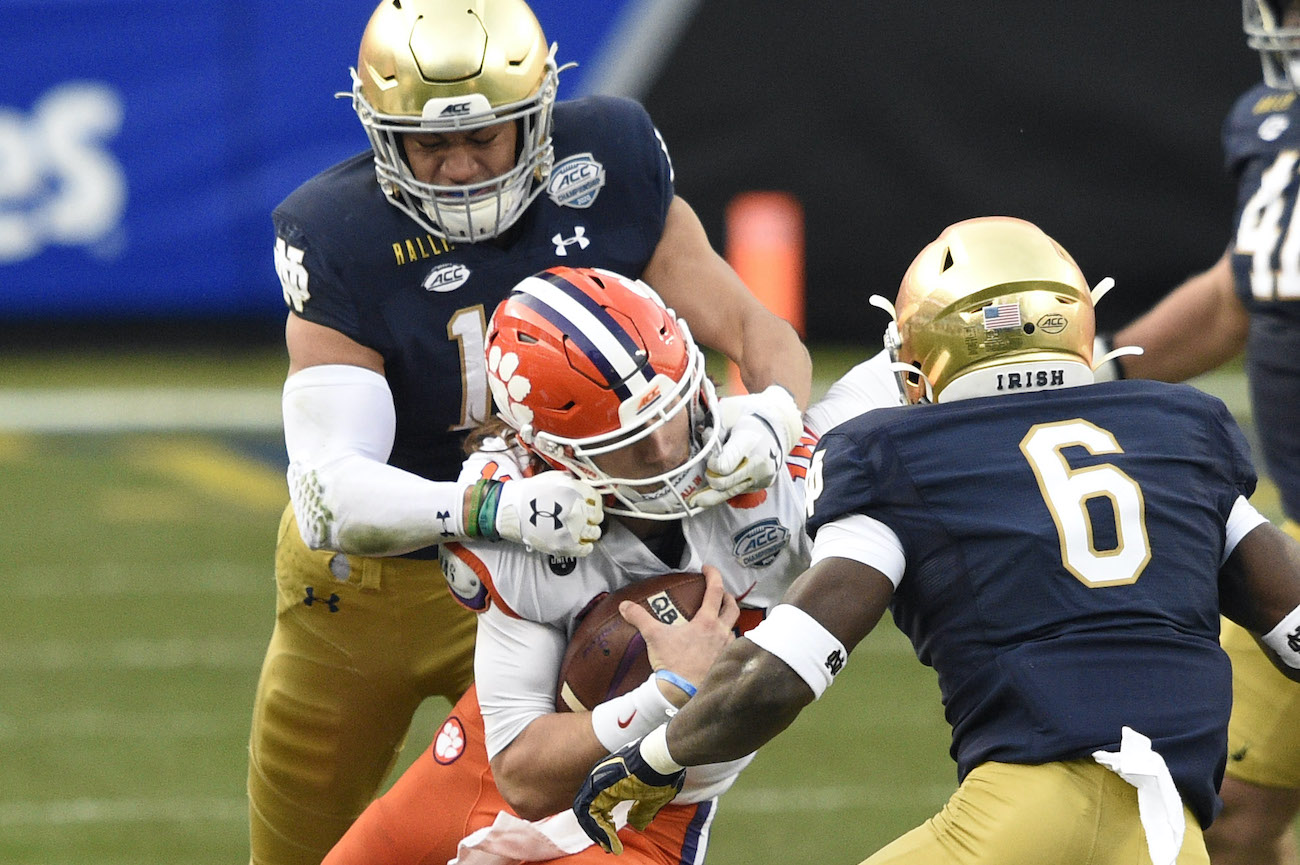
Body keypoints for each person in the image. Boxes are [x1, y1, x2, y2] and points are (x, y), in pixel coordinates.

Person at [250, 0, 814, 861]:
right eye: (430, 144)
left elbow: (754, 329)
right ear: (379, 132)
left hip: (554, 578)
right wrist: (495, 511)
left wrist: (775, 414)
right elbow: (328, 490)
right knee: (304, 846)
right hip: (372, 587)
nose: (460, 166)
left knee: (569, 825)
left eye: (486, 136)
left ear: (541, 116)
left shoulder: (610, 163)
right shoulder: (337, 233)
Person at [573, 216, 1300, 865]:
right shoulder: (1182, 430)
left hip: (1027, 817)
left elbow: (783, 671)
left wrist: (654, 755)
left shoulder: (894, 453)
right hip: (1171, 832)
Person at [321, 265, 899, 865]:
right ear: (553, 456)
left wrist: (778, 413)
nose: (665, 450)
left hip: (650, 808)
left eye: (669, 411)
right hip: (525, 753)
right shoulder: (520, 514)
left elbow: (903, 367)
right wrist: (667, 691)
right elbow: (520, 773)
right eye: (625, 441)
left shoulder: (775, 470)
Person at [1090, 3, 1300, 861]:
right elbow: (1231, 294)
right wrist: (1098, 374)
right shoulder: (1271, 125)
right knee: (1236, 806)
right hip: (1294, 523)